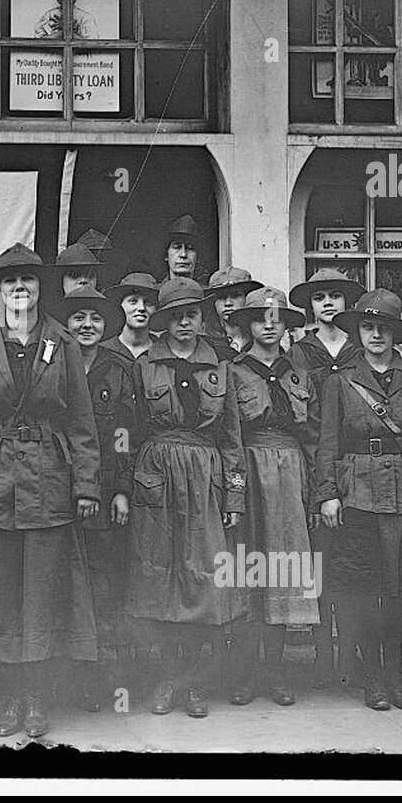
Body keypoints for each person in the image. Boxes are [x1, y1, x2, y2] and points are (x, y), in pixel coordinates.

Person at [0, 244, 101, 739]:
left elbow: (81, 421)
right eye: (9, 281)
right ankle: (7, 694)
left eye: (28, 280)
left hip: (49, 480)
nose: (18, 288)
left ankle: (36, 695)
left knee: (42, 591)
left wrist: (87, 485)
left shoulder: (63, 343)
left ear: (40, 287)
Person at [315, 289, 402, 712]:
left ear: (396, 334)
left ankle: (395, 675)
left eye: (384, 328)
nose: (376, 335)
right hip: (357, 494)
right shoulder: (339, 382)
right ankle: (372, 678)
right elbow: (327, 444)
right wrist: (329, 495)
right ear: (358, 331)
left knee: (396, 593)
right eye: (368, 327)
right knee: (360, 591)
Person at [127, 278, 247, 719]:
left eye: (192, 314)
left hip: (206, 478)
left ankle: (194, 685)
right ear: (163, 321)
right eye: (175, 316)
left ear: (202, 318)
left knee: (203, 582)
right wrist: (130, 486)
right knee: (157, 580)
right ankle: (166, 679)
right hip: (156, 477)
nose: (184, 323)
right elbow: (132, 430)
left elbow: (232, 439)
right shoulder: (143, 367)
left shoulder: (221, 368)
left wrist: (233, 498)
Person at [224, 287, 321, 707]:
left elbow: (314, 437)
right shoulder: (231, 372)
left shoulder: (299, 375)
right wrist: (232, 487)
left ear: (286, 326)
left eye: (276, 318)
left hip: (290, 472)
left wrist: (317, 493)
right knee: (247, 571)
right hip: (248, 468)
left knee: (282, 571)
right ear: (247, 325)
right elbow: (226, 433)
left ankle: (277, 673)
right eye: (260, 317)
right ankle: (244, 675)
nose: (268, 324)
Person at [50, 285, 136, 713]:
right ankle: (62, 680)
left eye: (95, 319)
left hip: (102, 490)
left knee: (102, 583)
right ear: (66, 323)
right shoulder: (50, 365)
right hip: (54, 487)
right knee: (61, 581)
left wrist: (120, 489)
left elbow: (124, 436)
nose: (86, 326)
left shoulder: (118, 370)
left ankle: (99, 681)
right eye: (78, 317)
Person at [288, 268, 366, 687]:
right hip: (316, 459)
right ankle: (321, 653)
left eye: (336, 296)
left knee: (352, 565)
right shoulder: (300, 352)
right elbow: (300, 413)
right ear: (310, 306)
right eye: (321, 298)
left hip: (357, 467)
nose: (329, 304)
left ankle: (351, 653)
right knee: (320, 562)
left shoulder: (360, 349)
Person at [205, 266, 262, 358]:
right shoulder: (206, 340)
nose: (228, 303)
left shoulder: (260, 336)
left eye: (235, 296)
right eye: (221, 297)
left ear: (247, 298)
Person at [102, 272, 160, 361]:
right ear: (120, 306)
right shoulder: (103, 351)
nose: (141, 308)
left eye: (148, 303)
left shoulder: (163, 351)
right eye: (133, 301)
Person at [160, 214, 202, 283]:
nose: (183, 254)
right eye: (177, 247)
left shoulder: (207, 293)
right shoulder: (156, 293)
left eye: (190, 248)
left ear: (198, 257)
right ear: (166, 255)